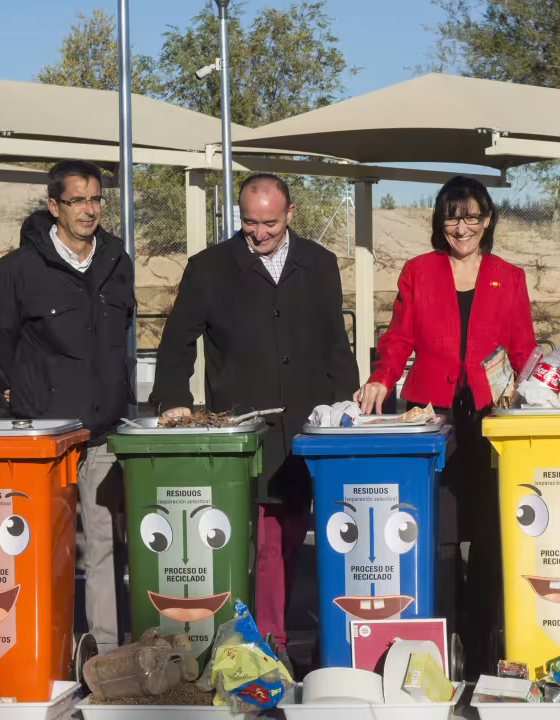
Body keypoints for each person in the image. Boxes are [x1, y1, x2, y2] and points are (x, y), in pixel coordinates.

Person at [152, 173, 358, 666]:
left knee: (299, 537)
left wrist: (347, 403)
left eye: (269, 222)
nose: (259, 233)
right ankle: (269, 644)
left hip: (310, 427)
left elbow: (335, 342)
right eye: (249, 222)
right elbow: (177, 340)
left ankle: (306, 641)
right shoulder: (208, 268)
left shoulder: (321, 264)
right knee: (263, 542)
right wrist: (173, 399)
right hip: (245, 428)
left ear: (290, 215)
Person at [356, 175, 535, 677]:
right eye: (453, 216)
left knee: (490, 534)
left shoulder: (509, 276)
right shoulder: (419, 271)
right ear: (440, 221)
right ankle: (435, 645)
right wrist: (380, 378)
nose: (462, 226)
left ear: (488, 219)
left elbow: (522, 349)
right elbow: (398, 339)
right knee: (438, 538)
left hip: (492, 420)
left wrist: (530, 391)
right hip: (430, 419)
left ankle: (484, 653)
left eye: (472, 215)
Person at [0, 159, 134, 653]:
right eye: (77, 200)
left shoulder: (117, 260)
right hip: (42, 437)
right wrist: (19, 398)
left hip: (105, 432)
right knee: (45, 548)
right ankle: (44, 651)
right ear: (54, 206)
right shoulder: (14, 271)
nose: (89, 210)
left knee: (108, 547)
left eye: (95, 199)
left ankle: (106, 657)